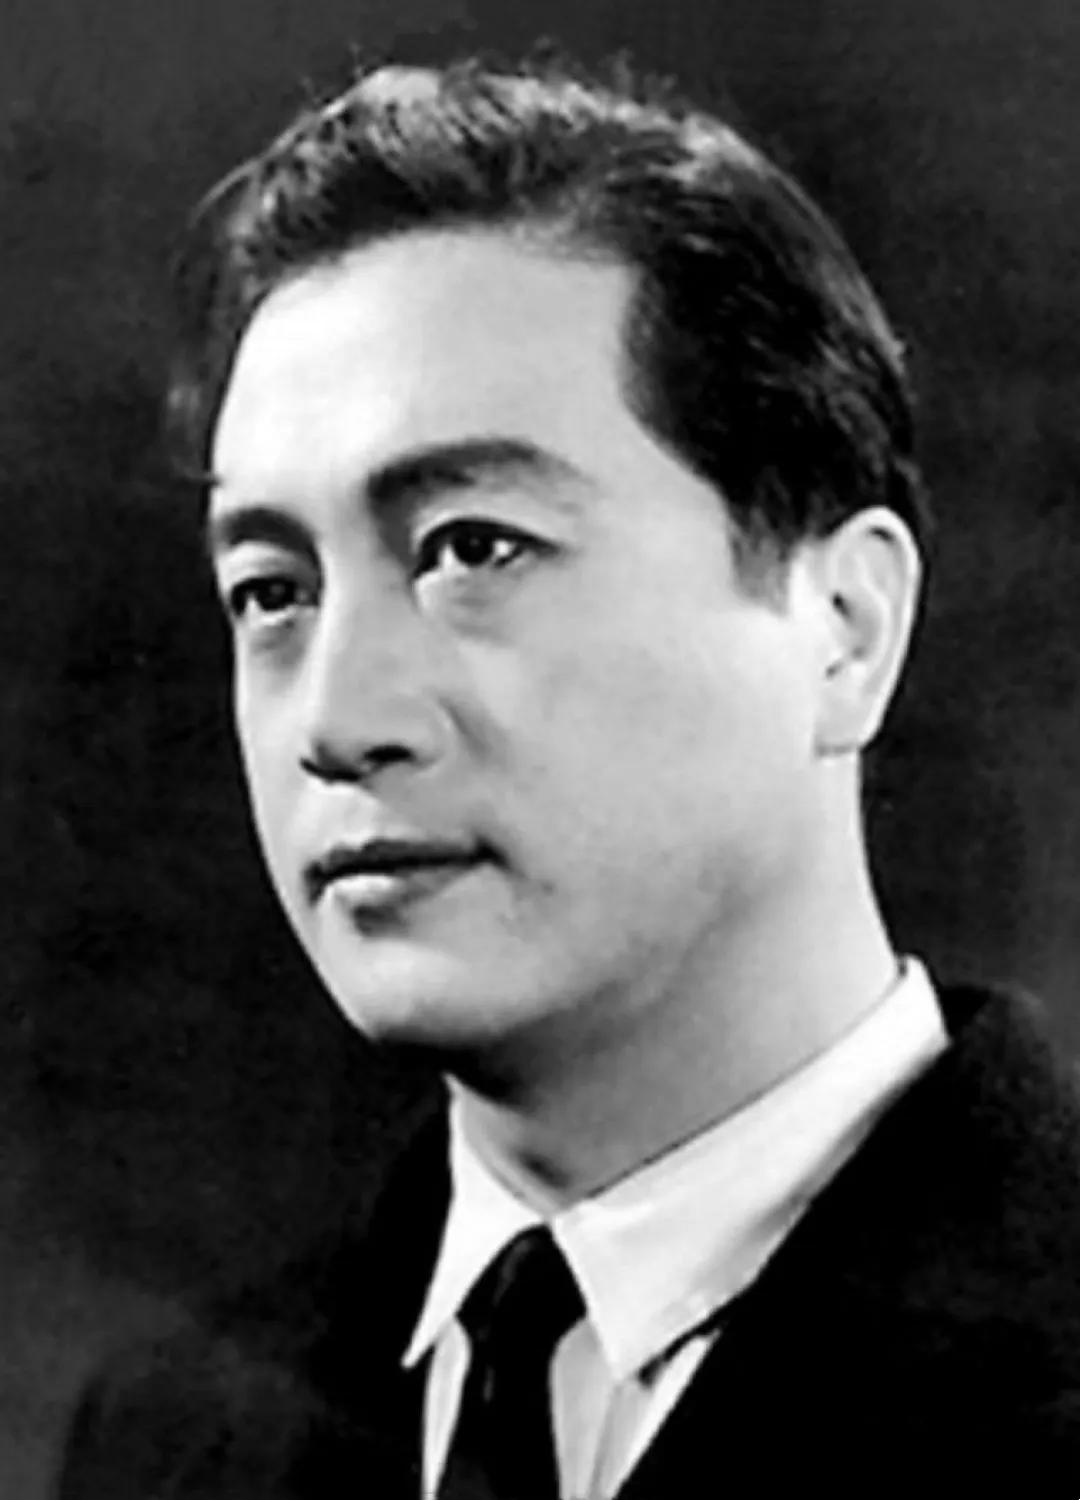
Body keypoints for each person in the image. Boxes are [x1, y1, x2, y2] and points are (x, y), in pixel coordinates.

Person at [58, 54, 1080, 1500]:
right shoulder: (168, 1441)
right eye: (272, 591)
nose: (336, 719)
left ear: (846, 628)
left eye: (474, 548)